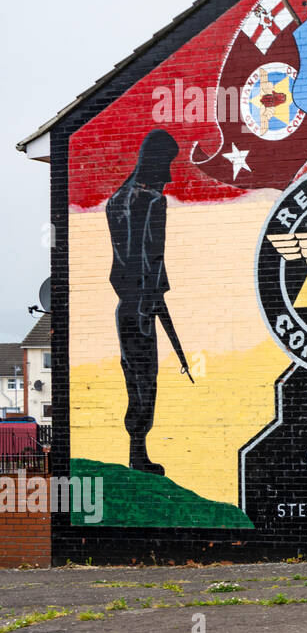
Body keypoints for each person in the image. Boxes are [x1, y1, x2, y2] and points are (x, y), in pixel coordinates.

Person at [106, 129, 183, 476]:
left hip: (125, 307)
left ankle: (136, 452)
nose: (169, 175)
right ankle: (138, 456)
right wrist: (151, 302)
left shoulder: (115, 200)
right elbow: (149, 258)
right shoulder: (153, 201)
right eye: (167, 165)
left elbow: (124, 264)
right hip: (141, 308)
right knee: (146, 382)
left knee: (132, 377)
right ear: (156, 162)